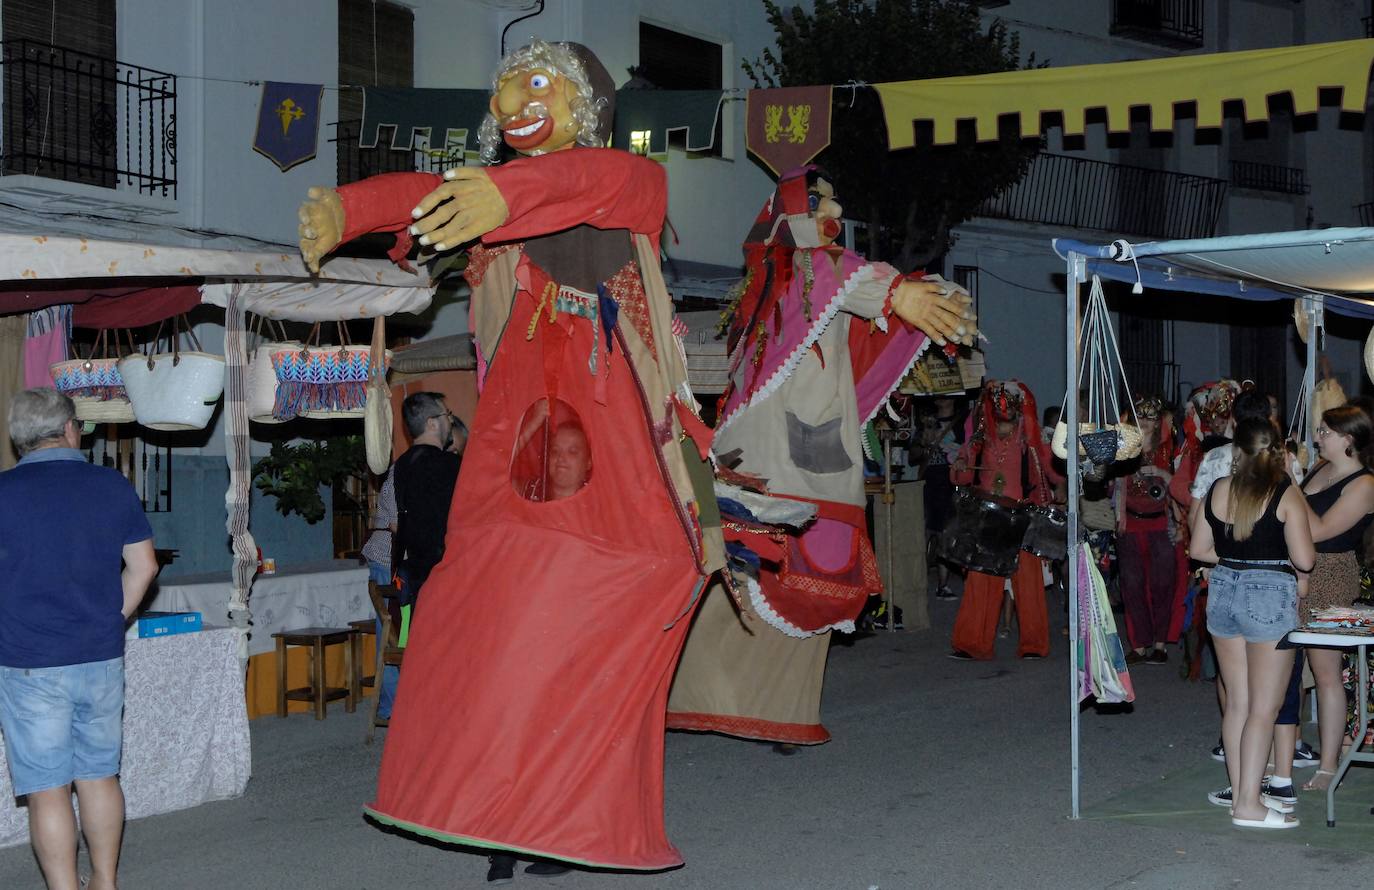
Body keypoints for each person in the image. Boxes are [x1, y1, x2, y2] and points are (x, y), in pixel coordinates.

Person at [299, 40, 729, 879]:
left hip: (618, 455)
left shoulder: (629, 180)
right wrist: (348, 212)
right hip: (515, 457)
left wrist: (502, 192)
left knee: (605, 618)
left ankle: (565, 816)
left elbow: (585, 185)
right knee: (485, 627)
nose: (510, 103)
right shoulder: (497, 202)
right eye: (503, 90)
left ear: (586, 104)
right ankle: (500, 817)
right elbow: (426, 198)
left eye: (535, 86)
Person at [665, 165, 973, 750]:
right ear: (793, 214)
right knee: (764, 581)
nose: (836, 215)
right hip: (777, 462)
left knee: (807, 587)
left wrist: (918, 300)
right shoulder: (803, 272)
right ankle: (685, 694)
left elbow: (862, 322)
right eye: (823, 202)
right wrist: (901, 292)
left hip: (810, 461)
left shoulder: (816, 285)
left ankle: (778, 710)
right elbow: (843, 274)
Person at [0, 388, 158, 890]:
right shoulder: (111, 485)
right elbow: (145, 566)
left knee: (48, 791)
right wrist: (113, 615)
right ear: (71, 429)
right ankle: (105, 883)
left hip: (29, 661)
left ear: (18, 439)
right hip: (100, 657)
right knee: (98, 776)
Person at [1189, 417, 1315, 829]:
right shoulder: (1285, 493)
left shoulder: (1219, 488)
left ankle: (1245, 793)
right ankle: (1247, 804)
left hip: (1223, 588)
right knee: (1265, 705)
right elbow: (1305, 560)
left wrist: (1236, 557)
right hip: (1268, 594)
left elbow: (1199, 549)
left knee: (1238, 702)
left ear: (1236, 450)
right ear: (1277, 450)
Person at [949, 379, 1059, 661]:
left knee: (1028, 584)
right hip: (987, 518)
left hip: (1022, 517)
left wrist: (1067, 475)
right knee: (981, 581)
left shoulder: (1030, 438)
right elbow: (961, 472)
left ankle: (1034, 645)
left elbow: (1052, 470)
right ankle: (973, 643)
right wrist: (960, 466)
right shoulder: (981, 436)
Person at [1299, 404, 1374, 792]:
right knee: (1287, 673)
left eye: (1325, 432)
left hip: (1331, 575)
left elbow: (1322, 529)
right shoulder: (1318, 470)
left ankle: (1329, 766)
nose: (1317, 437)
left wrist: (1287, 491)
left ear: (1349, 439)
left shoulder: (1364, 485)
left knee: (1326, 673)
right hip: (1296, 571)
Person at [1116, 396, 1179, 665]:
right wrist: (1119, 514)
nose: (1144, 422)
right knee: (1132, 585)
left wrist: (1161, 474)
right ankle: (1139, 644)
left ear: (1158, 421)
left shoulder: (1169, 447)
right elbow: (1118, 481)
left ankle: (1160, 643)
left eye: (1150, 418)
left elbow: (1178, 486)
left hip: (1159, 521)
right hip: (1131, 522)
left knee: (1163, 584)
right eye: (1140, 417)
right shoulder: (1127, 444)